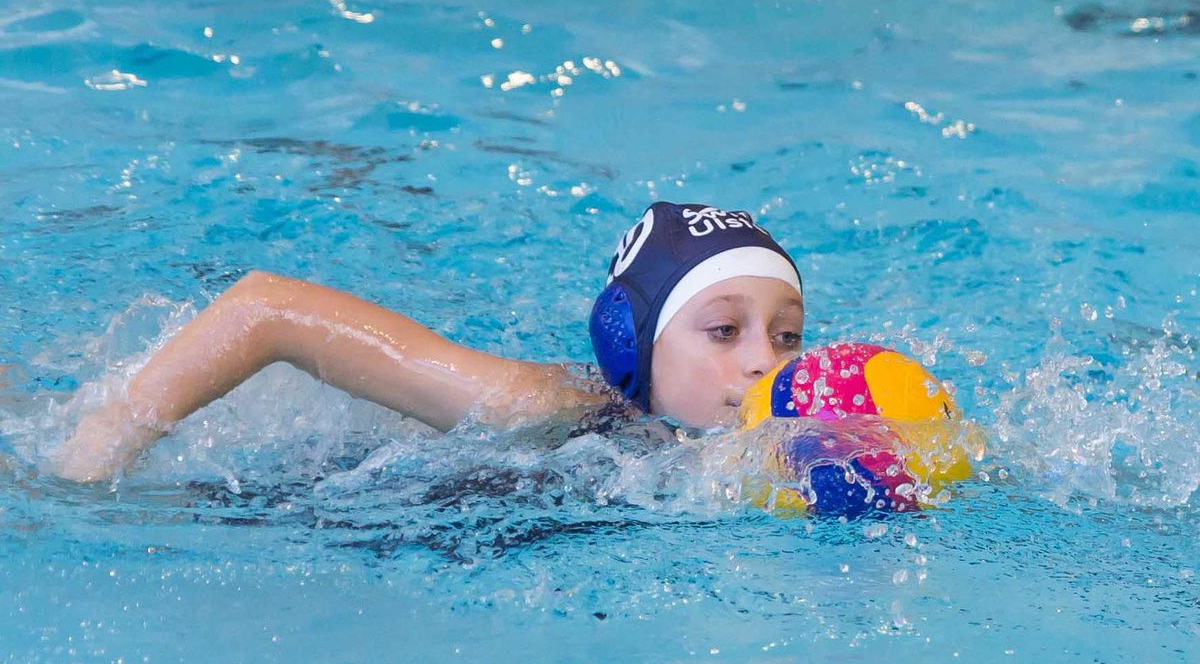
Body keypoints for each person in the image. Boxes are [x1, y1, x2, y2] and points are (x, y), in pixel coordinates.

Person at [52, 202, 805, 482]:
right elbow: (265, 310)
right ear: (629, 348)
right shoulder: (538, 407)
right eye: (723, 330)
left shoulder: (778, 443)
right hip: (284, 491)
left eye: (786, 335)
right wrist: (97, 449)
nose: (762, 362)